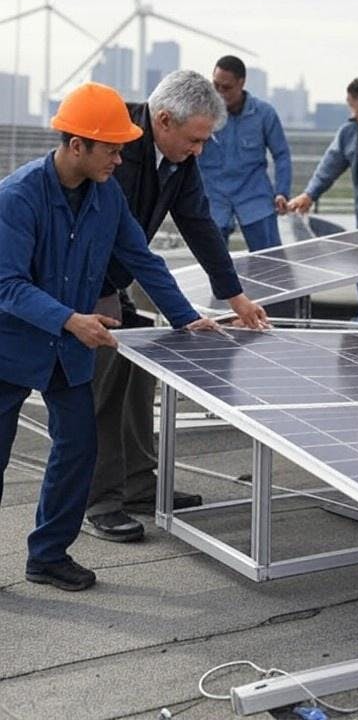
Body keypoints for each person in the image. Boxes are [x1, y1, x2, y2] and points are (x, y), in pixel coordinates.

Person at [0, 82, 221, 590]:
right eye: (112, 149)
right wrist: (69, 319)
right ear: (77, 145)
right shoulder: (18, 197)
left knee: (78, 450)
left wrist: (186, 316)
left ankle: (48, 555)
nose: (121, 159)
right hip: (13, 346)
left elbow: (143, 258)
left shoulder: (106, 198)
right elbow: (8, 285)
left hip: (69, 347)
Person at [84, 70, 270, 544]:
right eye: (195, 139)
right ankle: (101, 502)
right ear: (162, 120)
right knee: (103, 385)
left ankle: (140, 486)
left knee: (139, 373)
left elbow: (198, 223)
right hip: (78, 284)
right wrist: (186, 316)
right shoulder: (117, 152)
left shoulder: (178, 157)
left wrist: (237, 296)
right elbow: (133, 250)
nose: (200, 150)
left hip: (112, 280)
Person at [287, 78, 358, 323]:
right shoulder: (349, 132)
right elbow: (330, 164)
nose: (357, 115)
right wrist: (310, 194)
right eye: (352, 109)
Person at [197, 55, 292, 251]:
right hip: (213, 198)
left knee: (271, 263)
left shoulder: (264, 114)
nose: (220, 93)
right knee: (213, 263)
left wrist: (282, 191)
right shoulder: (200, 113)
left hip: (254, 196)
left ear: (241, 83)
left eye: (227, 87)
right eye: (216, 85)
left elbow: (281, 155)